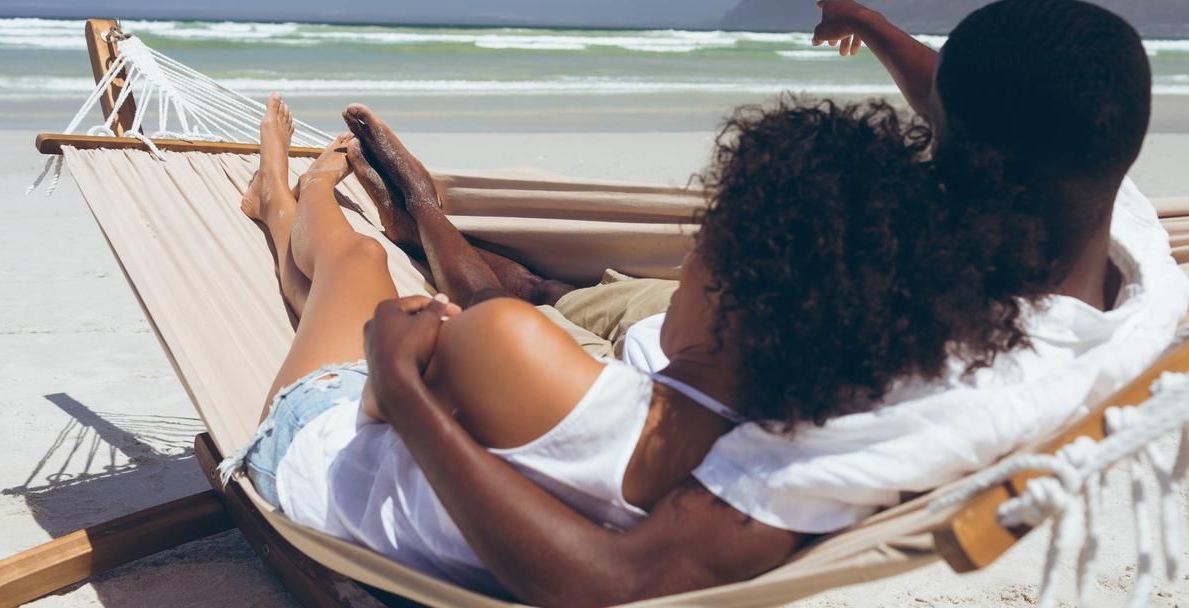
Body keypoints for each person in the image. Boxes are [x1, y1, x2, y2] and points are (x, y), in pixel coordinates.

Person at [351, 0, 1189, 605]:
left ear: (969, 158)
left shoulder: (941, 406)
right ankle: (459, 242)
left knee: (524, 304)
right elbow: (970, 100)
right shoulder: (1126, 234)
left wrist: (402, 394)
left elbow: (619, 582)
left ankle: (427, 221)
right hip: (758, 318)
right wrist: (879, 30)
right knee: (559, 291)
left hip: (678, 374)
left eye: (938, 130)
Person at [222, 91, 1038, 596]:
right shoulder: (779, 462)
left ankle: (296, 198)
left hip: (313, 457)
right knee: (340, 294)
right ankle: (295, 216)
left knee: (358, 265)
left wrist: (406, 360)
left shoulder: (515, 344)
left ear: (725, 291)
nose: (682, 269)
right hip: (444, 500)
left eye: (699, 253)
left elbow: (373, 401)